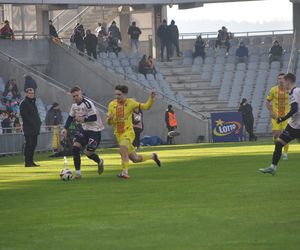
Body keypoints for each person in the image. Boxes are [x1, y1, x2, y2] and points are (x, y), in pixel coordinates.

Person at [107, 85, 161, 179]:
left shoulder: (131, 102)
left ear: (125, 94)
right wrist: (109, 119)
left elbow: (146, 107)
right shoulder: (112, 104)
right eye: (116, 94)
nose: (117, 96)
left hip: (128, 133)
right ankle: (152, 156)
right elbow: (109, 123)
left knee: (122, 149)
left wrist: (151, 98)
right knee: (135, 159)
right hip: (118, 135)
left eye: (119, 94)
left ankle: (125, 173)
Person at [259, 73, 300, 175]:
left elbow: (294, 108)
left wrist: (283, 118)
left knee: (279, 144)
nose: (283, 84)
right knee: (279, 143)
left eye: (284, 81)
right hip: (293, 125)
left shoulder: (294, 92)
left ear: (288, 81)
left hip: (296, 126)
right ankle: (273, 167)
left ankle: (273, 167)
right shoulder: (297, 91)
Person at [61, 86, 104, 179]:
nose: (76, 97)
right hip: (84, 130)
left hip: (95, 131)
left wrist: (83, 119)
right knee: (75, 147)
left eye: (77, 95)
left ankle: (99, 161)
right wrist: (65, 128)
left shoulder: (88, 104)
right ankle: (78, 173)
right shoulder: (74, 106)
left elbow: (94, 117)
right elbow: (70, 117)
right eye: (74, 96)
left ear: (81, 94)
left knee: (87, 153)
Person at [266, 73, 290, 160]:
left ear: (285, 80)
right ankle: (278, 148)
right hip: (276, 116)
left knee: (286, 134)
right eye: (279, 78)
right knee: (276, 135)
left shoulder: (289, 90)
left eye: (282, 78)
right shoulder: (273, 90)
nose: (280, 80)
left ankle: (285, 153)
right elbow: (267, 102)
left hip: (286, 116)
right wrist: (271, 112)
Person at [20, 88, 41, 167]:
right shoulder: (24, 103)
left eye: (32, 93)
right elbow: (24, 116)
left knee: (33, 145)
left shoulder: (33, 102)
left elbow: (36, 114)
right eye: (30, 93)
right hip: (28, 128)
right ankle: (27, 162)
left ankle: (31, 161)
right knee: (28, 145)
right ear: (26, 93)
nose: (31, 94)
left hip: (35, 128)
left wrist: (38, 122)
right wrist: (32, 123)